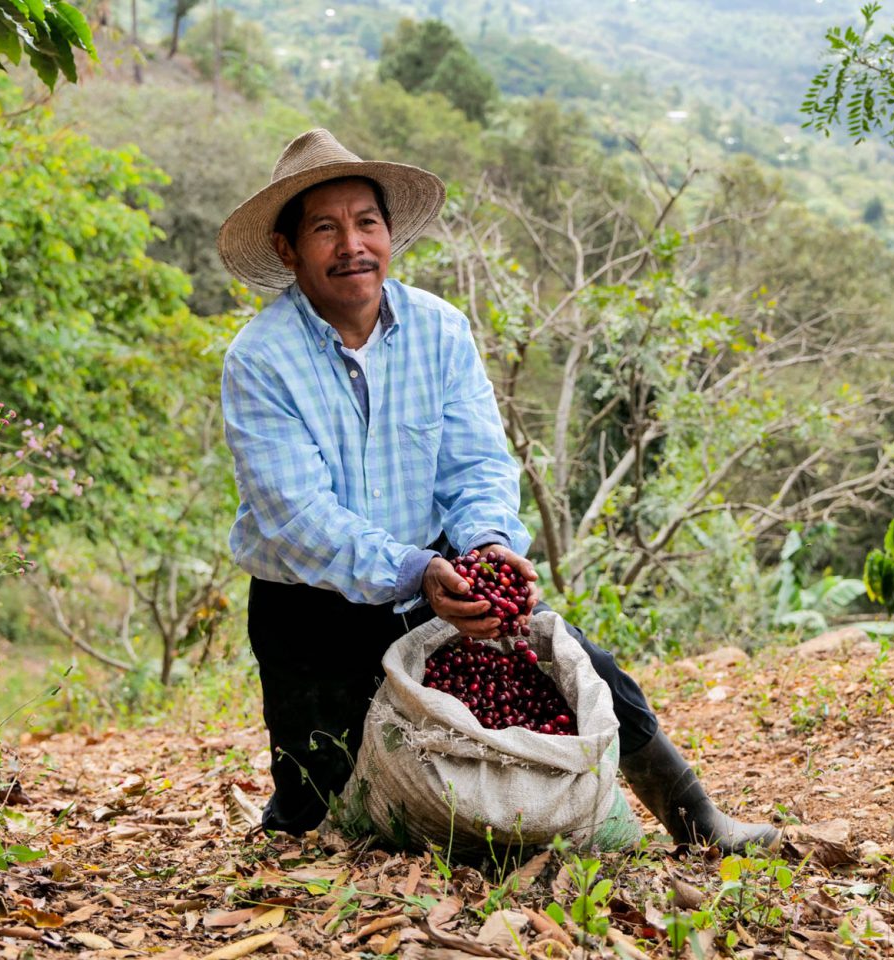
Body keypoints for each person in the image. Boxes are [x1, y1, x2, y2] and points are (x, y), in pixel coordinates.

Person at [217, 129, 779, 853]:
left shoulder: (439, 331)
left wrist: (487, 547)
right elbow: (297, 517)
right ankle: (321, 813)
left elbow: (478, 464)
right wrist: (418, 569)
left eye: (366, 223)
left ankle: (695, 817)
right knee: (316, 807)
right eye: (325, 228)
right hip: (313, 610)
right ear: (289, 251)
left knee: (587, 672)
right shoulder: (260, 360)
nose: (351, 244)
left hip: (442, 579)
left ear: (390, 234)